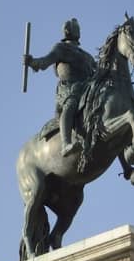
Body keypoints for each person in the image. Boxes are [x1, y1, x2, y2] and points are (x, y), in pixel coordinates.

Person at [24, 16, 97, 157]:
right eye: (75, 28)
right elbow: (45, 62)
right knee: (71, 104)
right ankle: (65, 144)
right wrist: (32, 62)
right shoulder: (61, 48)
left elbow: (97, 71)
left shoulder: (87, 56)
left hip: (87, 88)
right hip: (69, 88)